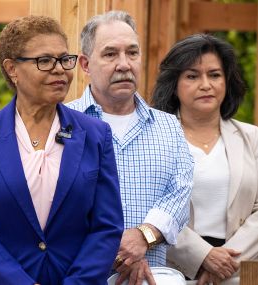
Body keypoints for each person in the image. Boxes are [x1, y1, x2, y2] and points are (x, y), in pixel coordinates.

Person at [0, 15, 123, 285]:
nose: (60, 70)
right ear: (12, 69)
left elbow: (107, 227)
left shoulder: (96, 135)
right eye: (45, 61)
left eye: (65, 59)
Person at [67, 10, 194, 285]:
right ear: (86, 64)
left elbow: (180, 192)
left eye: (132, 53)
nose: (124, 64)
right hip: (79, 276)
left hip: (152, 278)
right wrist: (113, 247)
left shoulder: (169, 127)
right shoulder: (62, 124)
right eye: (110, 54)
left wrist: (143, 236)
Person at [151, 34, 258, 285]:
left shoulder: (252, 138)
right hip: (172, 272)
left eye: (214, 74)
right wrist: (202, 257)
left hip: (241, 273)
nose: (206, 84)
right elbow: (147, 206)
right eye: (192, 76)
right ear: (174, 84)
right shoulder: (155, 139)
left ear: (227, 81)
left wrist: (224, 263)